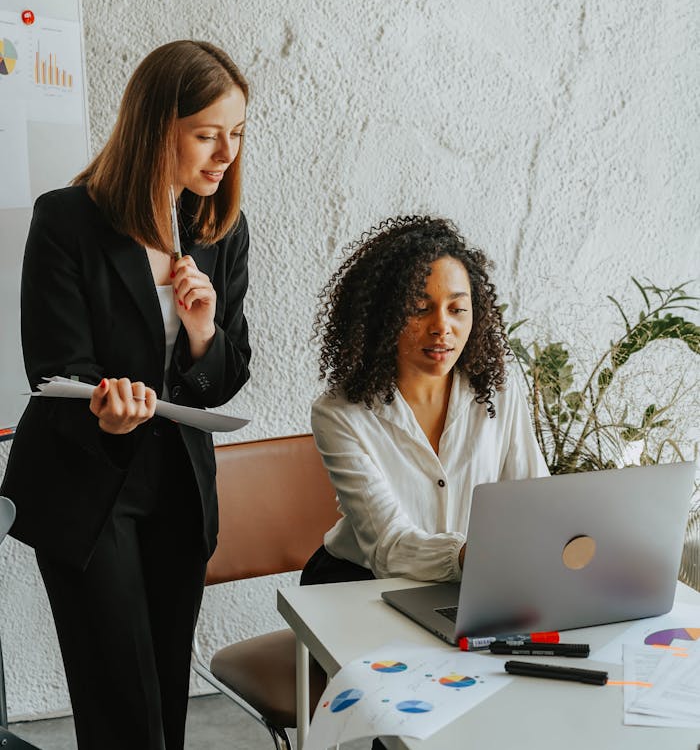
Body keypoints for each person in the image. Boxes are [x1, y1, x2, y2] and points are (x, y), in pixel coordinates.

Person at [1, 39, 251, 750]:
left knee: (165, 698)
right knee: (120, 709)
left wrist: (202, 334)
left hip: (177, 488)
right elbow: (54, 369)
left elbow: (224, 377)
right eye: (206, 134)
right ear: (154, 128)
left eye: (235, 134)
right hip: (88, 485)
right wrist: (109, 421)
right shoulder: (66, 222)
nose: (224, 153)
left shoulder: (217, 230)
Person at [302, 215, 549, 587]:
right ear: (384, 316)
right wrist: (475, 557)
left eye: (457, 309)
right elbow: (389, 547)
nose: (442, 327)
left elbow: (535, 499)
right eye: (420, 308)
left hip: (472, 578)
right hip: (360, 584)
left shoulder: (498, 389)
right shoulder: (340, 414)